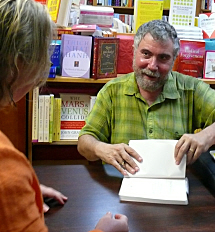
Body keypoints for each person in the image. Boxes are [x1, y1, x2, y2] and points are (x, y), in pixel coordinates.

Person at [0, 1, 128, 232]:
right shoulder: (7, 166)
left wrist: (24, 190)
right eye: (46, 50)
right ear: (20, 62)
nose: (49, 62)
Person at [77, 20, 215, 176]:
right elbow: (84, 141)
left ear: (174, 60)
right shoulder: (112, 91)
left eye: (163, 58)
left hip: (174, 184)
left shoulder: (191, 88)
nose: (152, 66)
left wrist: (204, 137)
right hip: (121, 183)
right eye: (146, 54)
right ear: (134, 51)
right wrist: (101, 149)